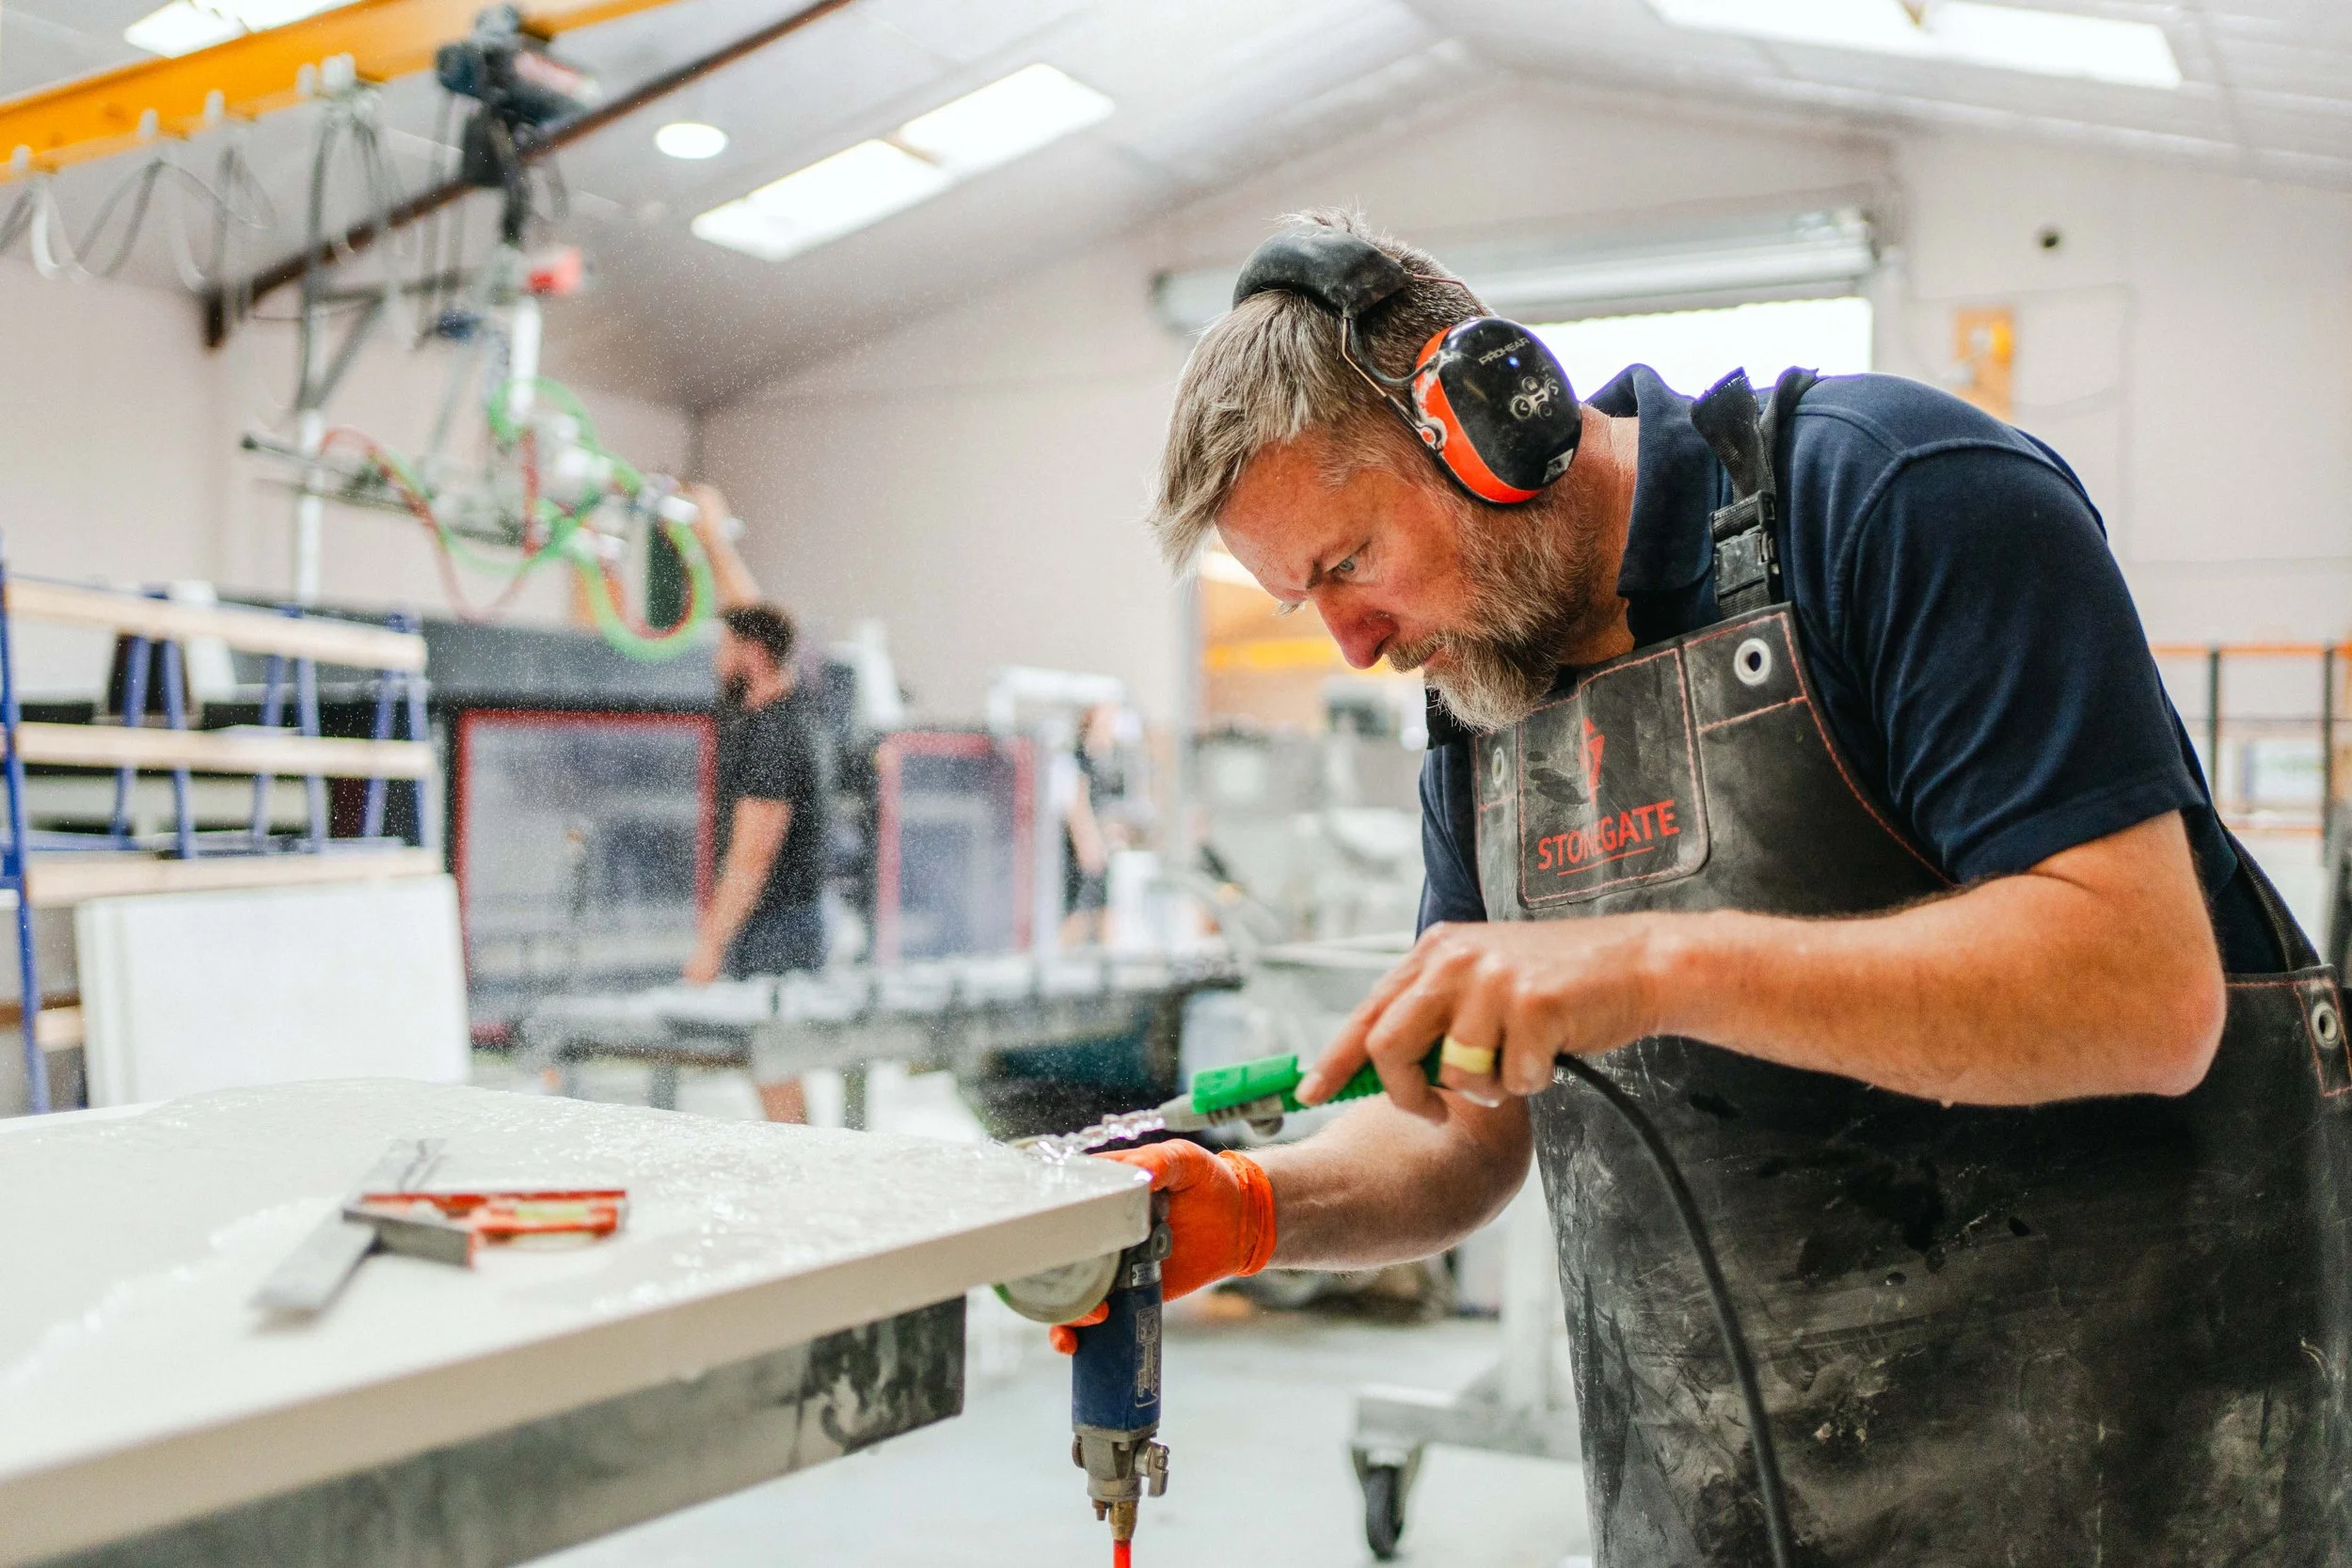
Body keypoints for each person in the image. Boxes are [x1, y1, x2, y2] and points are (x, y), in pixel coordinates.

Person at [1072, 211, 2351, 1564]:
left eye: (1347, 563)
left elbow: (2142, 989)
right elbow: (1465, 1128)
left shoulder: (1899, 496)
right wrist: (1256, 1202)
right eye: (1299, 600)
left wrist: (1651, 963)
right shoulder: (1485, 697)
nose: (1354, 640)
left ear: (1488, 419)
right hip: (1733, 1517)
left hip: (2125, 1491)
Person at [681, 485, 832, 1124]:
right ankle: (808, 1171)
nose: (716, 661)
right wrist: (714, 539)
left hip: (775, 929)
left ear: (754, 657)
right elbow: (750, 611)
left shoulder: (774, 738)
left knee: (775, 1071)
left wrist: (709, 947)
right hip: (787, 923)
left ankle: (810, 1185)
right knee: (772, 1069)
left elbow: (751, 856)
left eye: (725, 648)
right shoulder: (788, 704)